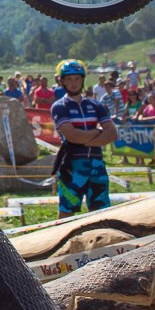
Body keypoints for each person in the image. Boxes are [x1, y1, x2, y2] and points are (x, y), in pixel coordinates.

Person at [50, 60, 116, 215]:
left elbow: (112, 133)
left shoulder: (96, 105)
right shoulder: (60, 106)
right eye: (69, 79)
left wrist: (82, 138)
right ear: (63, 81)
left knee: (102, 212)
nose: (74, 83)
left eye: (77, 79)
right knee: (67, 211)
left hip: (97, 165)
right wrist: (97, 132)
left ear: (82, 80)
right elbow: (72, 135)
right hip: (72, 166)